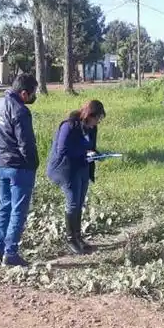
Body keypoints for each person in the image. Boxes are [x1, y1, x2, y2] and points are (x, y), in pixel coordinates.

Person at [0, 73, 40, 267]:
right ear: (24, 93)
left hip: (1, 164)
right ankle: (11, 254)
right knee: (18, 210)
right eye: (33, 93)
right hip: (19, 167)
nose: (34, 96)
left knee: (4, 207)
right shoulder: (20, 111)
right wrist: (33, 164)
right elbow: (26, 143)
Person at [46, 100, 106, 255]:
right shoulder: (69, 126)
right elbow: (62, 149)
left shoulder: (92, 128)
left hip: (82, 167)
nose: (98, 122)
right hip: (66, 169)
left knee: (80, 202)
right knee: (72, 202)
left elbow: (90, 147)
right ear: (89, 115)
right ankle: (70, 239)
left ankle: (78, 237)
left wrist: (97, 154)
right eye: (97, 118)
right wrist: (84, 152)